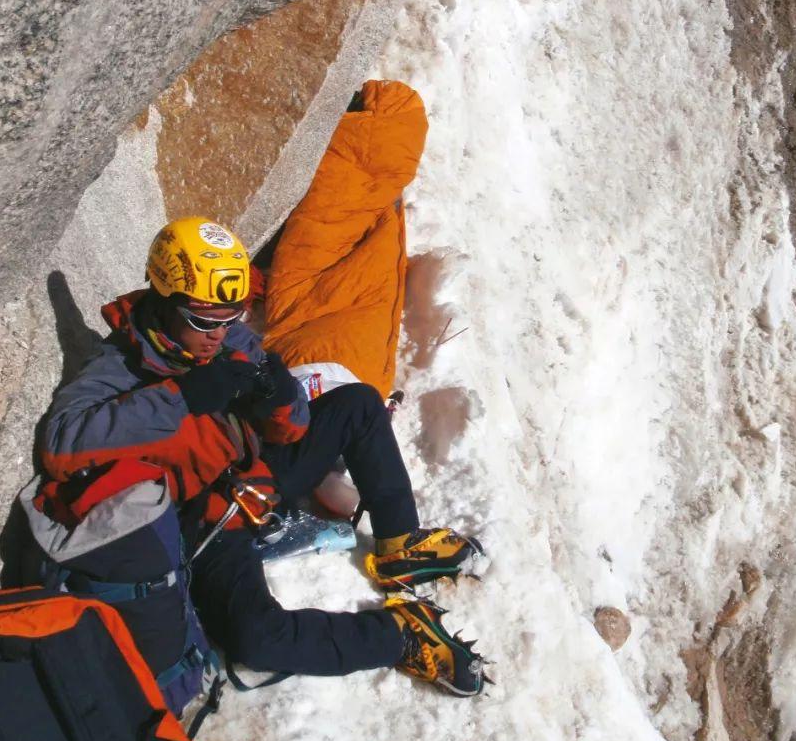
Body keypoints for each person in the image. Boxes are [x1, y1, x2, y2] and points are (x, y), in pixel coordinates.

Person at [39, 216, 485, 696]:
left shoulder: (228, 336)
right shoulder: (119, 365)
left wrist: (278, 397)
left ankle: (400, 543)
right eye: (204, 321)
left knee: (357, 404)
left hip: (257, 475)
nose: (219, 334)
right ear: (163, 301)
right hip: (208, 522)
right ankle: (398, 636)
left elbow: (293, 424)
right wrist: (181, 398)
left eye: (232, 319)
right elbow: (62, 442)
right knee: (255, 639)